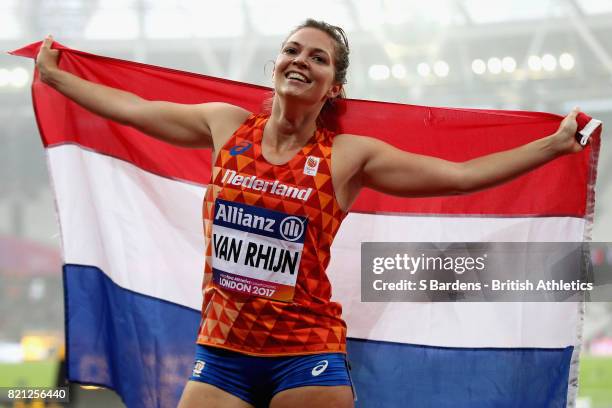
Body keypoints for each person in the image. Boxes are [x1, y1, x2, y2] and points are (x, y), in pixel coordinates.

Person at [36, 19, 583, 408]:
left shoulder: (347, 157)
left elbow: (460, 177)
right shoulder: (224, 126)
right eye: (293, 50)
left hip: (306, 354)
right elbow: (133, 110)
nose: (301, 60)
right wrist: (58, 79)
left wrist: (552, 149)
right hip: (222, 351)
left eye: (317, 57)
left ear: (334, 86)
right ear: (276, 64)